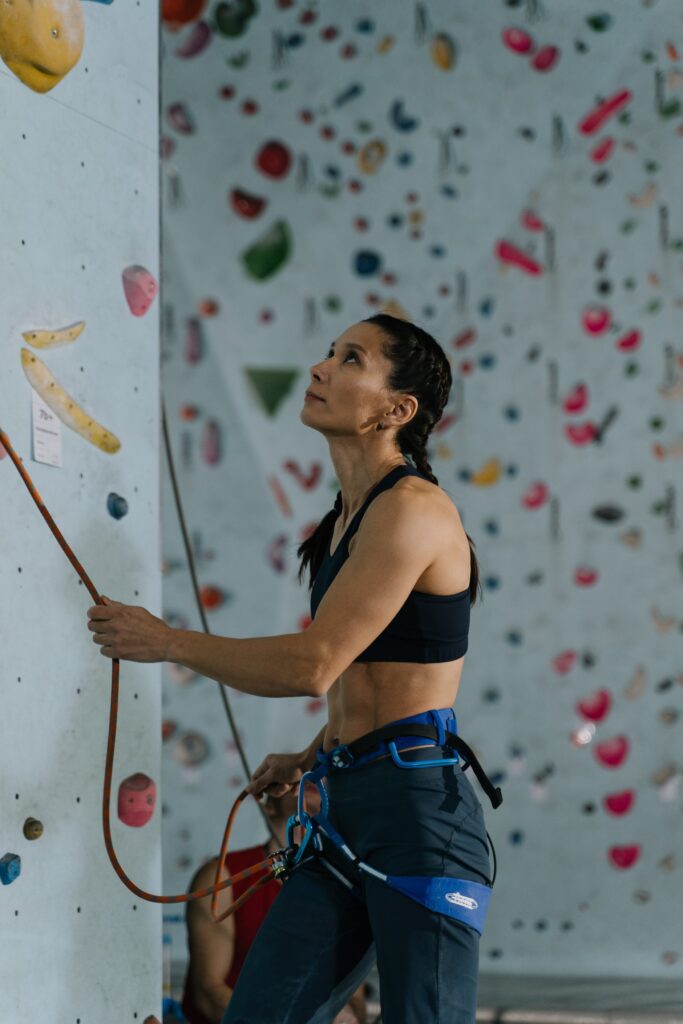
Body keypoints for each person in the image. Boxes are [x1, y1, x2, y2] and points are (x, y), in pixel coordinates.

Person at [86, 313, 497, 1023]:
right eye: (329, 353)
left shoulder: (415, 511)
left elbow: (314, 665)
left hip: (418, 819)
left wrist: (167, 641)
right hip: (340, 812)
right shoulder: (343, 519)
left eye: (349, 359)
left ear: (396, 410)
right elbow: (370, 674)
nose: (318, 369)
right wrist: (313, 753)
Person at [180, 788, 368, 1024]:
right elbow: (208, 995)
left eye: (317, 777)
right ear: (269, 807)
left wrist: (348, 1016)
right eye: (291, 782)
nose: (306, 779)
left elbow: (354, 999)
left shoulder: (347, 887)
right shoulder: (223, 878)